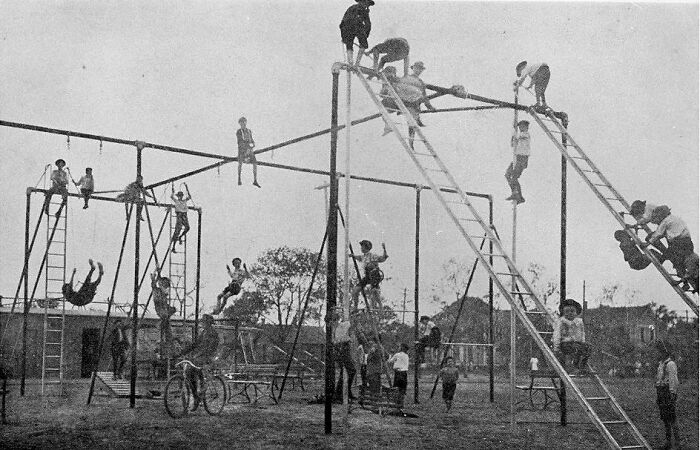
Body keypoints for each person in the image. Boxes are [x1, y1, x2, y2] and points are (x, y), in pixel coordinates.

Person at [177, 314, 220, 411]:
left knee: (196, 369)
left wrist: (201, 354)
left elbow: (211, 348)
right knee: (188, 372)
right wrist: (183, 351)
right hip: (200, 357)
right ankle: (196, 395)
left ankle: (200, 393)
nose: (202, 324)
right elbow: (195, 344)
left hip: (208, 358)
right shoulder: (203, 333)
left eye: (204, 322)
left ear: (209, 323)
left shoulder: (213, 333)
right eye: (202, 322)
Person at [641, 205, 695, 279]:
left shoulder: (665, 221)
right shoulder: (675, 218)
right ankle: (685, 281)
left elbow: (658, 233)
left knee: (669, 256)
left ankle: (661, 259)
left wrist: (648, 243)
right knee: (679, 261)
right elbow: (668, 232)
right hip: (687, 243)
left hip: (678, 243)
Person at [552, 298, 591, 375]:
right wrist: (556, 347)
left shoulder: (579, 322)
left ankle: (582, 366)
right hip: (565, 343)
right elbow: (557, 335)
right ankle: (572, 367)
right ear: (563, 312)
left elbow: (582, 333)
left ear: (576, 312)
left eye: (572, 311)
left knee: (587, 348)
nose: (570, 313)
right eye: (567, 311)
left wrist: (582, 342)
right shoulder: (561, 322)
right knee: (574, 350)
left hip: (576, 343)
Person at [402, 61, 436, 147]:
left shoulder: (420, 82)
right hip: (406, 101)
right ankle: (411, 141)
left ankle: (412, 138)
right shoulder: (406, 78)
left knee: (414, 119)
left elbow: (424, 96)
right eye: (417, 68)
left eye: (420, 69)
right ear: (413, 68)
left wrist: (429, 107)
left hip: (414, 104)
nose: (418, 70)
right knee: (412, 121)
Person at [655, 340, 680, 449]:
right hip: (661, 393)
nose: (658, 354)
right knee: (665, 419)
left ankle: (677, 443)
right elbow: (659, 378)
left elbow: (673, 380)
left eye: (660, 352)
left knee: (672, 418)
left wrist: (672, 394)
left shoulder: (670, 364)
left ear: (665, 353)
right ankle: (668, 442)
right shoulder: (660, 364)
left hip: (668, 394)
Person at [350, 240, 388, 309]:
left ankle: (380, 306)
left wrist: (384, 249)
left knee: (374, 291)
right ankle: (355, 307)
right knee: (355, 290)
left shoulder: (373, 255)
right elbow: (359, 257)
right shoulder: (363, 256)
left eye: (362, 247)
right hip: (367, 275)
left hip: (374, 275)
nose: (361, 248)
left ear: (366, 247)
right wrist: (353, 256)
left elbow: (383, 258)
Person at [339, 0, 374, 66]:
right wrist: (365, 35)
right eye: (365, 3)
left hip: (347, 27)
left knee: (349, 43)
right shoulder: (362, 10)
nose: (366, 6)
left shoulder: (352, 8)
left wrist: (344, 37)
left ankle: (351, 62)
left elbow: (342, 24)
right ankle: (355, 63)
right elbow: (368, 24)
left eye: (367, 5)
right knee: (363, 44)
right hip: (352, 27)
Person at [332, 309, 357, 401]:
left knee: (345, 372)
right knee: (351, 370)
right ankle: (341, 392)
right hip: (341, 349)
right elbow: (337, 341)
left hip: (343, 348)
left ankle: (343, 392)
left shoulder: (344, 325)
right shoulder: (341, 327)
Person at [505, 120, 530, 204]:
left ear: (526, 127)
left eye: (522, 126)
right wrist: (513, 137)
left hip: (522, 159)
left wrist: (514, 130)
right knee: (508, 174)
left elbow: (519, 136)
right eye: (519, 127)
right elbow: (512, 144)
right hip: (516, 158)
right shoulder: (520, 136)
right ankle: (515, 193)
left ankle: (519, 196)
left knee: (514, 177)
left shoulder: (526, 134)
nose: (520, 128)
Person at [151, 272, 176, 355]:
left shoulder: (163, 293)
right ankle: (161, 347)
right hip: (162, 311)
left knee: (167, 332)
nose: (168, 290)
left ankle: (167, 348)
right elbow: (154, 287)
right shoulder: (158, 292)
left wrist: (158, 273)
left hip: (164, 311)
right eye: (166, 287)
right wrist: (154, 279)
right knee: (164, 331)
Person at [236, 117, 260, 188]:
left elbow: (252, 140)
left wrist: (252, 145)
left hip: (249, 150)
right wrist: (247, 148)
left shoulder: (249, 131)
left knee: (255, 163)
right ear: (239, 124)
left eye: (244, 122)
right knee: (240, 163)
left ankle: (255, 180)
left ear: (246, 122)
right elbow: (240, 142)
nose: (243, 123)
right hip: (242, 150)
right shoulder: (239, 132)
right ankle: (239, 178)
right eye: (241, 122)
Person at [170, 184, 191, 253]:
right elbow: (171, 196)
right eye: (179, 196)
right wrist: (173, 189)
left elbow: (189, 197)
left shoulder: (184, 201)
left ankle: (180, 237)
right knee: (177, 231)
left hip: (184, 215)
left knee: (187, 227)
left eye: (181, 196)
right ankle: (173, 247)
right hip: (179, 215)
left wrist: (187, 188)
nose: (180, 197)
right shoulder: (176, 201)